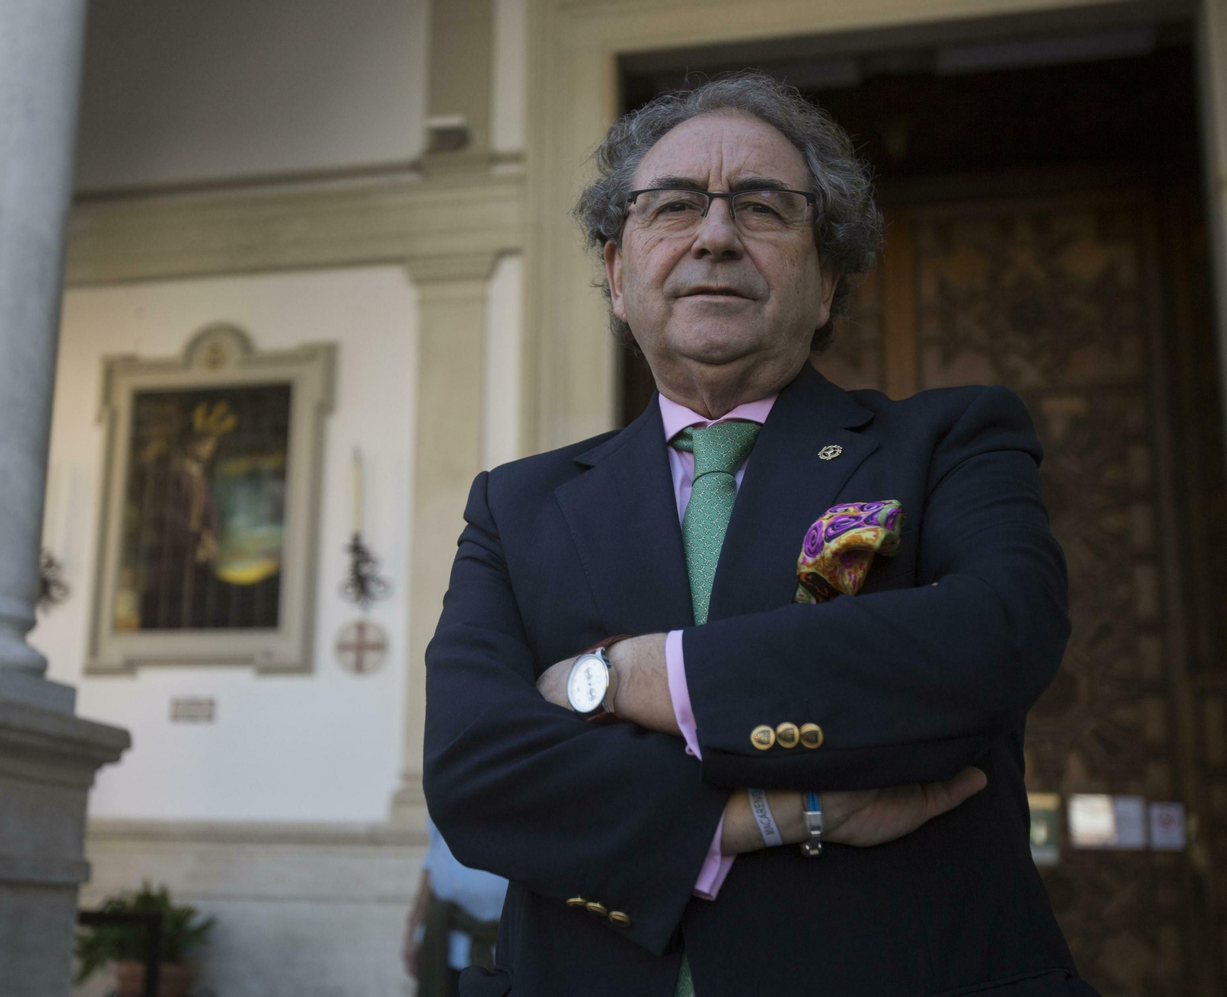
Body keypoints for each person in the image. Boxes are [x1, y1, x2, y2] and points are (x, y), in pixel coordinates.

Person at [422, 71, 1097, 997]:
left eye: (762, 206)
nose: (714, 234)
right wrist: (770, 816)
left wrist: (633, 676)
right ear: (616, 275)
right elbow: (474, 770)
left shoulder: (951, 442)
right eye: (673, 205)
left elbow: (993, 638)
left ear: (826, 282)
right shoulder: (516, 504)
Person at [402, 817, 507, 997]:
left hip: (504, 950)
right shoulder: (443, 800)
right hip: (446, 944)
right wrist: (414, 925)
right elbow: (433, 857)